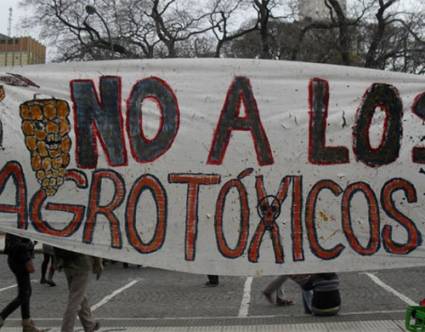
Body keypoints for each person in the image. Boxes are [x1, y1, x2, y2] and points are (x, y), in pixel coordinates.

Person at [0, 234, 44, 332]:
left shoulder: (21, 222)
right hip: (19, 260)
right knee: (24, 294)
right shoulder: (18, 224)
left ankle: (26, 323)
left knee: (26, 292)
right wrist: (29, 248)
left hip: (18, 259)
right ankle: (2, 316)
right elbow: (17, 245)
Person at [54, 248, 103, 332]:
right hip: (82, 263)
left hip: (67, 263)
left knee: (79, 295)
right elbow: (92, 243)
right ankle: (66, 329)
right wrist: (98, 262)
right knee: (75, 300)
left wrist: (57, 260)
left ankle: (89, 324)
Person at [263, 273, 341, 315]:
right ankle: (271, 292)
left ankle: (309, 309)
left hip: (318, 310)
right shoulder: (336, 277)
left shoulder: (315, 277)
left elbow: (306, 287)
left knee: (289, 272)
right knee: (287, 271)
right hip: (336, 309)